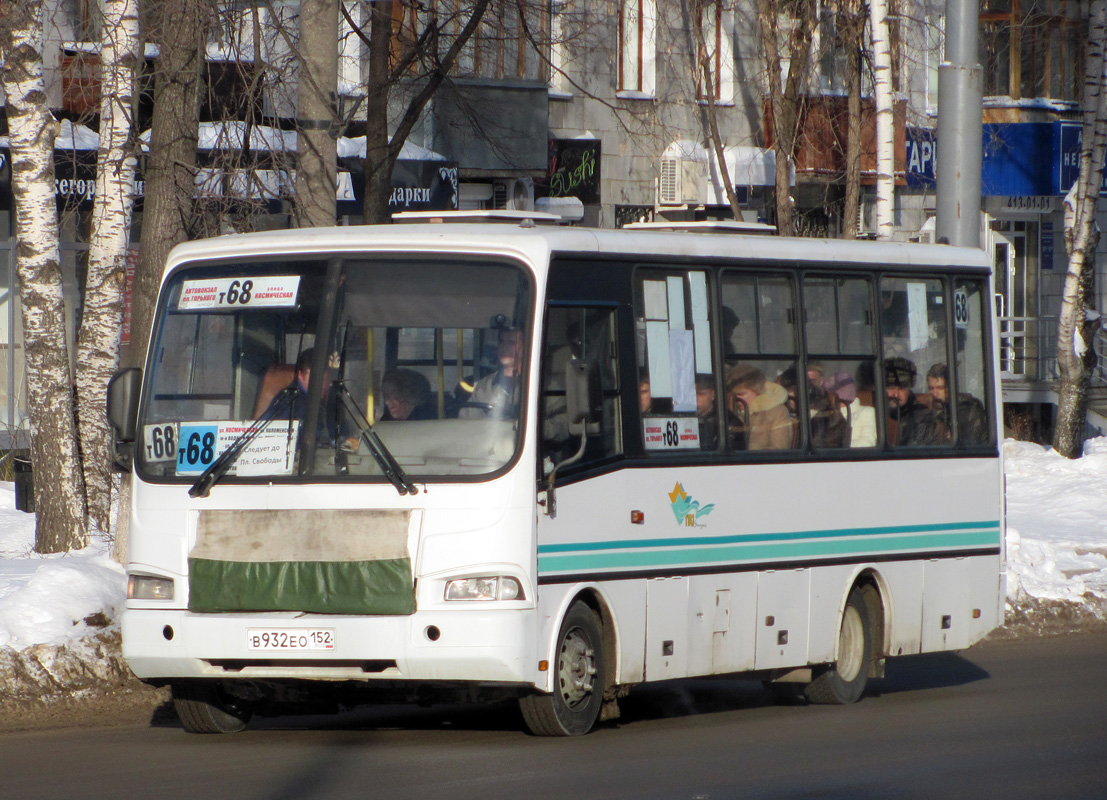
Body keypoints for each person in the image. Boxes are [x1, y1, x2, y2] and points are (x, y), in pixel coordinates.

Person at [460, 327, 524, 419]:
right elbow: (467, 420)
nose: (504, 347)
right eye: (501, 341)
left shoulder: (541, 385)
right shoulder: (484, 385)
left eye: (511, 343)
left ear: (526, 347)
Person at [725, 364, 793, 450]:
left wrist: (752, 449)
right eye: (733, 395)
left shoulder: (777, 412)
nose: (736, 399)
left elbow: (779, 448)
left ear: (757, 391)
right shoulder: (726, 413)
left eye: (741, 394)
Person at [926, 363, 989, 445]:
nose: (935, 393)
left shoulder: (969, 409)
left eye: (940, 388)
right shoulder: (930, 410)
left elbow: (971, 443)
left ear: (950, 387)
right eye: (931, 388)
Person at [884, 356, 940, 447]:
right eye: (891, 388)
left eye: (902, 389)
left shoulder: (922, 416)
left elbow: (915, 454)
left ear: (909, 389)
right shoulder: (873, 413)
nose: (896, 394)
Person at [823, 370, 877, 447]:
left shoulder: (867, 412)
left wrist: (836, 447)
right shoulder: (826, 414)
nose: (827, 398)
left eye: (828, 394)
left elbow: (867, 442)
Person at [694, 374, 719, 450]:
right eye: (691, 394)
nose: (695, 399)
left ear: (713, 394)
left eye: (701, 394)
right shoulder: (680, 418)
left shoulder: (724, 423)